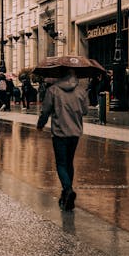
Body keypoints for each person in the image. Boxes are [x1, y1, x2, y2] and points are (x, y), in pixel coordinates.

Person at [36, 68, 89, 212]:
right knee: (69, 162)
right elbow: (85, 110)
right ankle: (66, 194)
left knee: (61, 163)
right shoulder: (81, 91)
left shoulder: (53, 90)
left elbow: (45, 110)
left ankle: (67, 189)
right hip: (75, 132)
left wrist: (40, 124)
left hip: (59, 132)